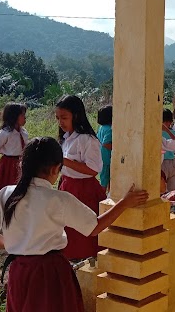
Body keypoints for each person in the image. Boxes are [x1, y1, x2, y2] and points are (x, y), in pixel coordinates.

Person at [0, 137, 149, 312]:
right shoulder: (58, 199)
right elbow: (94, 227)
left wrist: (16, 245)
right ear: (55, 169)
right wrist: (124, 203)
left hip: (19, 271)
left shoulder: (5, 194)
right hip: (50, 273)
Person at [55, 95, 106, 261]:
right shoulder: (66, 138)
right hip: (67, 186)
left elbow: (93, 170)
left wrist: (65, 161)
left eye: (64, 118)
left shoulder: (87, 139)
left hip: (84, 190)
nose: (60, 122)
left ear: (76, 116)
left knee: (84, 232)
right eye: (58, 118)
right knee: (68, 229)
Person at [0, 103, 29, 199]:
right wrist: (4, 150)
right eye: (22, 115)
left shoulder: (23, 132)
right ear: (14, 116)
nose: (25, 118)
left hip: (21, 162)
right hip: (8, 164)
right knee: (6, 186)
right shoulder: (4, 133)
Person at [161, 109, 175, 192]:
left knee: (162, 191)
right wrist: (167, 130)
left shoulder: (156, 133)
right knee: (173, 191)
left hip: (162, 164)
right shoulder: (174, 133)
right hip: (173, 163)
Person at [96, 105, 113, 191]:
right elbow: (106, 144)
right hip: (106, 159)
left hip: (101, 157)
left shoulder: (101, 128)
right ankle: (102, 197)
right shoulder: (110, 129)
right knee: (106, 180)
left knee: (105, 179)